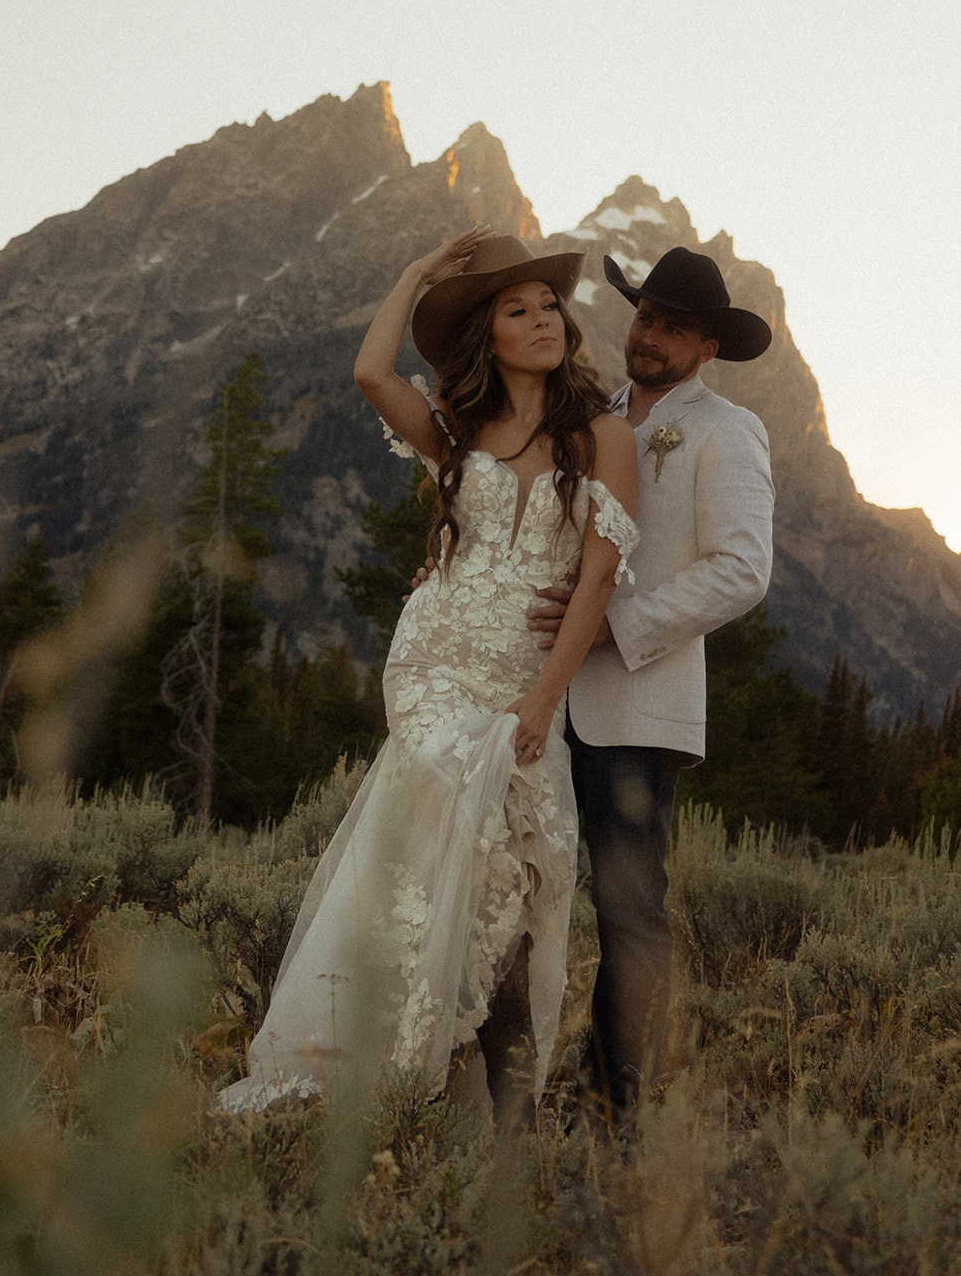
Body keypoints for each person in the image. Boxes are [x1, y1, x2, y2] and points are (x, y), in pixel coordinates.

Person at [217, 228, 639, 1128]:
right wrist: (415, 274)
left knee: (508, 885)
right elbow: (372, 375)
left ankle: (467, 1104)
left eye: (548, 307)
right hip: (434, 665)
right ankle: (379, 1082)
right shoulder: (461, 433)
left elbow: (599, 577)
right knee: (422, 866)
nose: (540, 321)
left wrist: (543, 696)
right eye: (515, 311)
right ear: (486, 339)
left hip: (523, 681)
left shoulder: (604, 435)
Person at [528, 246, 775, 1136]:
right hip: (539, 693)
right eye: (644, 316)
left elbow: (743, 570)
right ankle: (521, 1080)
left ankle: (613, 1109)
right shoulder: (589, 414)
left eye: (673, 325)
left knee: (627, 910)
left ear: (707, 345)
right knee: (523, 890)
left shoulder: (725, 430)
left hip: (637, 703)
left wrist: (613, 624)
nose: (651, 334)